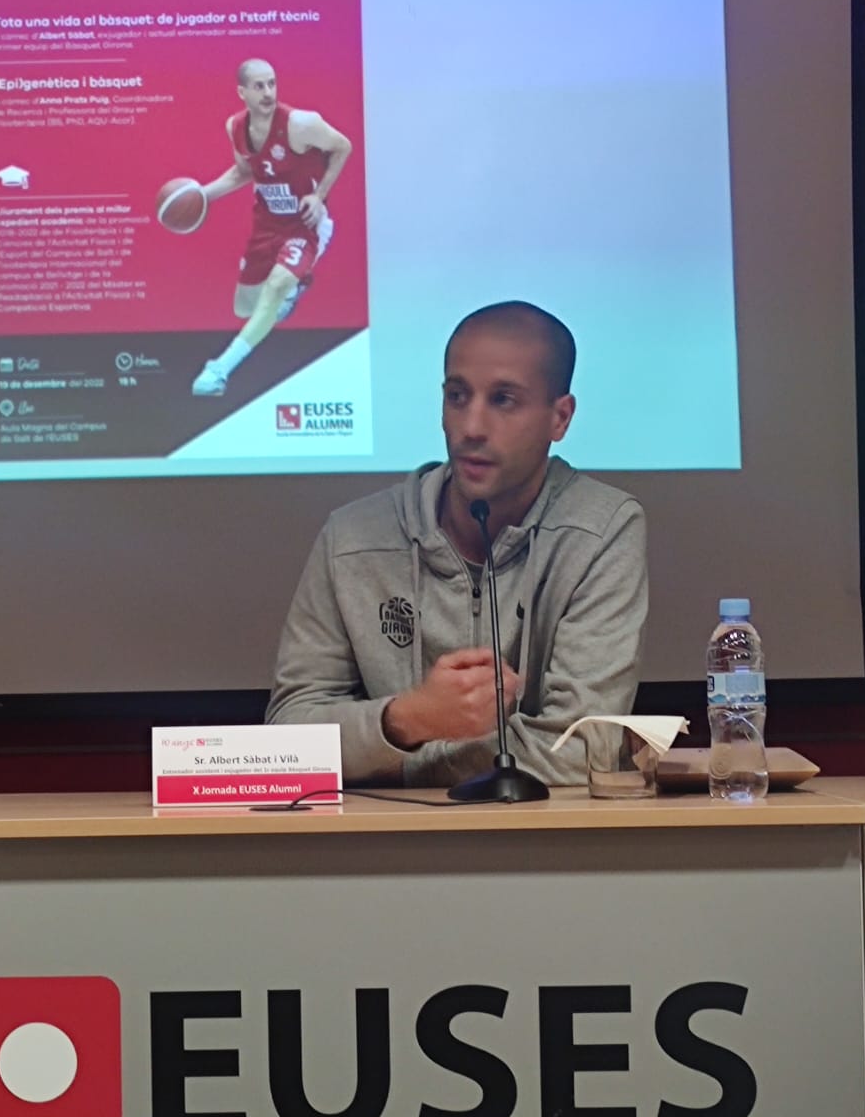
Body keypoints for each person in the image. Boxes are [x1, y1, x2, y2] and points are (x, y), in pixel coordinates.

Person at [267, 301, 648, 787]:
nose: (471, 428)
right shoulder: (353, 539)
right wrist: (409, 719)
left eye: (503, 400)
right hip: (386, 832)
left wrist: (401, 760)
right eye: (457, 396)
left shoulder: (601, 529)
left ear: (560, 418)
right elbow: (287, 739)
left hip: (540, 832)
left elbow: (581, 750)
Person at [189, 58, 354, 398]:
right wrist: (202, 195)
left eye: (272, 83)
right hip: (266, 225)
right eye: (259, 86)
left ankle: (219, 370)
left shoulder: (301, 124)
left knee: (275, 288)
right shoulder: (235, 127)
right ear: (242, 93)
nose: (268, 92)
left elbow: (343, 147)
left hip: (304, 224)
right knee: (246, 308)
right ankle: (293, 288)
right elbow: (243, 172)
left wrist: (319, 196)